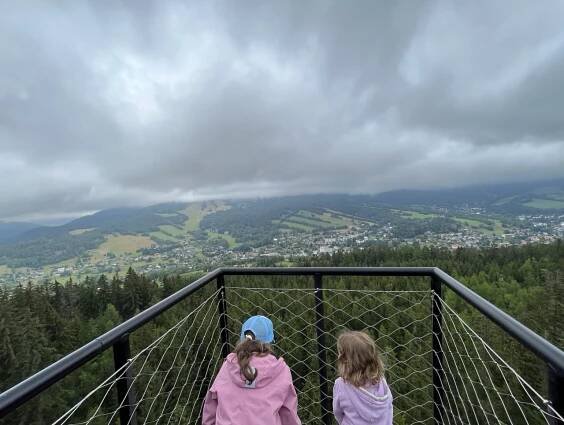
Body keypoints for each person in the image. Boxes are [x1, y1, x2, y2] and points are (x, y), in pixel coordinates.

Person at [202, 315, 301, 425]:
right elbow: (289, 414)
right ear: (270, 341)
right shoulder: (280, 370)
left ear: (242, 339)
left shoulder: (228, 366)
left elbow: (211, 406)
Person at [332, 330, 393, 425]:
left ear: (345, 361)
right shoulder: (382, 383)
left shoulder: (341, 385)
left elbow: (338, 413)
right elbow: (389, 411)